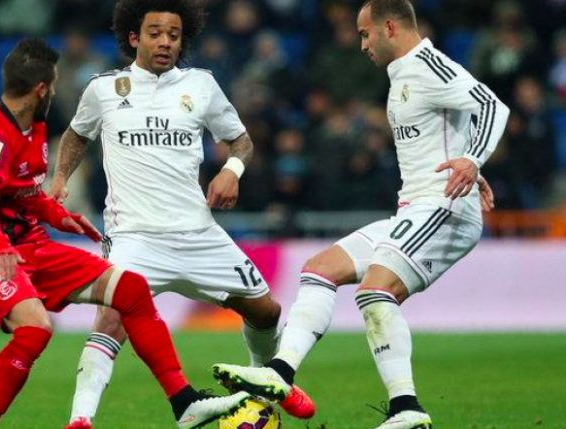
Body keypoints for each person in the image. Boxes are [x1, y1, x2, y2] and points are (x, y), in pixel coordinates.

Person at [212, 1, 510, 429]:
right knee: (319, 269)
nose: (362, 43)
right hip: (415, 208)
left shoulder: (428, 64)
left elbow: (491, 105)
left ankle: (406, 408)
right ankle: (280, 374)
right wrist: (464, 159)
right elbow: (448, 130)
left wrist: (472, 161)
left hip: (442, 208)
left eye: (365, 34)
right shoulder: (401, 75)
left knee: (374, 292)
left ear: (390, 27)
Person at [0, 38, 250, 429]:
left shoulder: (33, 127)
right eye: (53, 84)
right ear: (42, 88)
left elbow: (23, 192)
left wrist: (58, 216)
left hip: (29, 243)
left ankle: (184, 402)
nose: (55, 91)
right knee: (36, 331)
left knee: (131, 290)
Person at [48, 1, 311, 428]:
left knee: (266, 312)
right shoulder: (103, 89)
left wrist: (231, 170)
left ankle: (267, 387)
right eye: (155, 33)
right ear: (134, 37)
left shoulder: (201, 85)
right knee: (111, 317)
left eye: (173, 34)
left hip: (196, 232)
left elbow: (241, 141)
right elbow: (77, 135)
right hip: (134, 236)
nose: (165, 41)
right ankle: (80, 419)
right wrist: (60, 178)